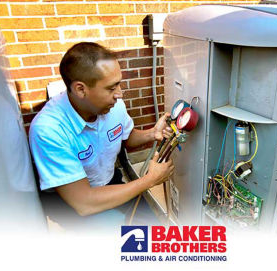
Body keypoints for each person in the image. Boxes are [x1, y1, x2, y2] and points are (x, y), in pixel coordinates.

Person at [29, 42, 174, 232]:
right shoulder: (49, 129)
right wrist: (150, 180)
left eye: (119, 84)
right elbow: (84, 203)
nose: (119, 94)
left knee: (151, 230)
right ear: (81, 89)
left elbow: (126, 138)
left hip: (109, 182)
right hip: (71, 202)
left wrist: (151, 133)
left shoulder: (113, 106)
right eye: (111, 88)